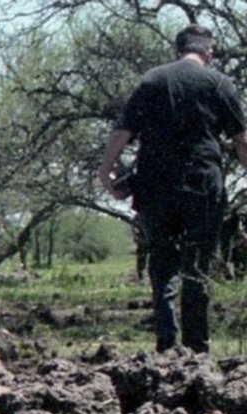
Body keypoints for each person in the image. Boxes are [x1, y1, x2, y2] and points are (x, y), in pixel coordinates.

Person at [98, 24, 247, 353]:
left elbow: (122, 130)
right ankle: (197, 350)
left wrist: (106, 169)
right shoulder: (220, 83)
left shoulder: (153, 80)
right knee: (197, 267)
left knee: (162, 263)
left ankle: (166, 345)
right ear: (208, 54)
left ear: (176, 51)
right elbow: (242, 141)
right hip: (202, 185)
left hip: (155, 185)